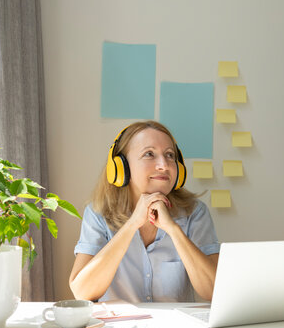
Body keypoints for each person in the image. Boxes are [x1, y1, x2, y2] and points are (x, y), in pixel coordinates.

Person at [69, 121, 220, 303]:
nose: (163, 165)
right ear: (121, 167)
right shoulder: (98, 213)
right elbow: (82, 292)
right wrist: (132, 224)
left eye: (170, 155)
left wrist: (172, 229)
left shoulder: (195, 213)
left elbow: (214, 291)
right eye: (149, 154)